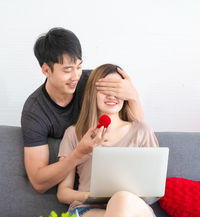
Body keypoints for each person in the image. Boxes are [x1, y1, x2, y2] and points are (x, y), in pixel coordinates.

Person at [57, 64, 159, 217]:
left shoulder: (142, 130)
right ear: (92, 94)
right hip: (88, 210)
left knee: (122, 199)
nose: (112, 96)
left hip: (138, 209)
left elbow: (155, 190)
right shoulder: (74, 133)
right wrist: (94, 195)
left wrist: (122, 199)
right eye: (106, 90)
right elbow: (63, 193)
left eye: (118, 89)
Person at [21, 27, 143, 193]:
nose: (76, 76)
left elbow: (136, 130)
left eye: (79, 67)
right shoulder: (35, 112)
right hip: (80, 184)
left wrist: (133, 96)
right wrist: (78, 154)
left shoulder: (93, 82)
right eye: (67, 70)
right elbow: (38, 182)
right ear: (46, 70)